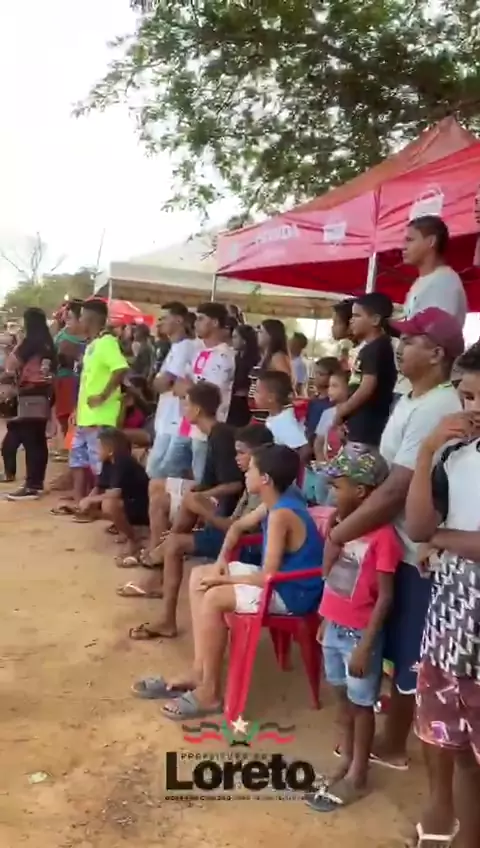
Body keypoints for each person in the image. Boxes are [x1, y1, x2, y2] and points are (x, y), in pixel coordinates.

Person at [323, 307, 464, 772]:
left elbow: (396, 488)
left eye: (412, 340)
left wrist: (342, 532)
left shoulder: (438, 406)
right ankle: (384, 735)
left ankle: (395, 745)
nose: (400, 346)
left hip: (413, 551)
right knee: (387, 642)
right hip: (393, 541)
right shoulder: (410, 398)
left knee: (408, 652)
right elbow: (383, 474)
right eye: (402, 338)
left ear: (437, 353)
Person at [132, 444, 324, 719]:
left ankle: (209, 693)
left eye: (252, 469)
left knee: (213, 595)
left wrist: (224, 579)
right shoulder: (276, 501)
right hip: (279, 581)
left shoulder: (282, 514)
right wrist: (222, 562)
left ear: (265, 479)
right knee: (200, 575)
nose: (246, 473)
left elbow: (267, 576)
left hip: (293, 592)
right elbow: (237, 528)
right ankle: (199, 671)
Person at [403, 344, 480, 848]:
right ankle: (457, 827)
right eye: (467, 397)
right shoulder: (455, 456)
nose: (472, 409)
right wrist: (426, 451)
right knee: (451, 732)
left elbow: (431, 534)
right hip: (453, 613)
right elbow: (417, 526)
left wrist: (441, 539)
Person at [305, 444, 401, 812]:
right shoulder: (342, 528)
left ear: (360, 490)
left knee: (362, 706)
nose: (331, 492)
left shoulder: (383, 537)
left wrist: (365, 645)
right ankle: (346, 759)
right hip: (334, 627)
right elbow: (329, 576)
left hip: (360, 635)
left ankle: (359, 773)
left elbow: (385, 597)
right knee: (342, 699)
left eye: (337, 485)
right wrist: (325, 619)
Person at [127, 381, 244, 637]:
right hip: (215, 499)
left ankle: (159, 554)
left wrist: (203, 495)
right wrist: (200, 492)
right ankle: (160, 551)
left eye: (186, 404)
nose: (183, 408)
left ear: (198, 409)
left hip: (226, 508)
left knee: (181, 503)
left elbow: (235, 484)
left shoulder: (221, 436)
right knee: (163, 489)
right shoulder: (214, 434)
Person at [68, 299, 129, 505]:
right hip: (85, 416)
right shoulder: (92, 344)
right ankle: (80, 502)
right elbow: (87, 382)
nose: (79, 320)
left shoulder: (107, 342)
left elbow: (120, 369)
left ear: (91, 318)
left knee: (100, 466)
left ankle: (97, 505)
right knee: (77, 460)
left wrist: (103, 396)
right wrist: (76, 410)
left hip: (101, 417)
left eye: (81, 316)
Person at [172, 302, 235, 482]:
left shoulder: (223, 356)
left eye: (201, 319)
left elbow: (209, 395)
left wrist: (189, 387)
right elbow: (178, 385)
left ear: (214, 323)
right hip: (186, 425)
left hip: (205, 432)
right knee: (170, 475)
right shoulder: (199, 352)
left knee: (201, 481)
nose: (195, 323)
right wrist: (190, 387)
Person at [0, 308, 56, 499]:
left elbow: (11, 365)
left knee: (31, 440)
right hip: (45, 395)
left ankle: (32, 486)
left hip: (29, 395)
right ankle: (36, 483)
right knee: (38, 440)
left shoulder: (30, 343)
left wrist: (16, 344)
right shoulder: (48, 344)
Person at [334, 293, 396, 446]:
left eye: (357, 316)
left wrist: (342, 410)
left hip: (367, 425)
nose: (351, 320)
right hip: (358, 421)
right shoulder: (370, 348)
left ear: (375, 320)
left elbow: (366, 387)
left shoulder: (377, 348)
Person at [77, 427, 149, 555]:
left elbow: (114, 494)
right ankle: (124, 529)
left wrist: (90, 500)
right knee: (95, 504)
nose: (96, 451)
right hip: (129, 501)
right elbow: (100, 487)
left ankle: (132, 539)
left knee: (109, 504)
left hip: (143, 507)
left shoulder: (123, 462)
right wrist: (87, 501)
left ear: (110, 450)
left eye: (99, 447)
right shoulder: (108, 462)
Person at [403, 216, 467, 326]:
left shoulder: (445, 282)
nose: (404, 247)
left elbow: (435, 331)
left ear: (431, 241)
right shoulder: (420, 282)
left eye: (410, 240)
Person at [254, 370, 309, 459]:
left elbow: (303, 447)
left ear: (271, 398)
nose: (254, 395)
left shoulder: (286, 422)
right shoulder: (275, 416)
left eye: (257, 391)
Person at [53, 301, 85, 436]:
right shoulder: (62, 336)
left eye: (70, 318)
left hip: (78, 382)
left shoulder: (92, 339)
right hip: (64, 380)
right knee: (65, 417)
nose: (67, 322)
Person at [227, 324, 260, 427]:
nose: (232, 340)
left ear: (244, 340)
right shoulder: (236, 357)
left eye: (235, 337)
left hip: (244, 404)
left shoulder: (255, 360)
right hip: (232, 400)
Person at [305, 356, 339, 440]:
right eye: (315, 373)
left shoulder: (331, 403)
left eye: (321, 374)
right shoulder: (315, 398)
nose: (315, 377)